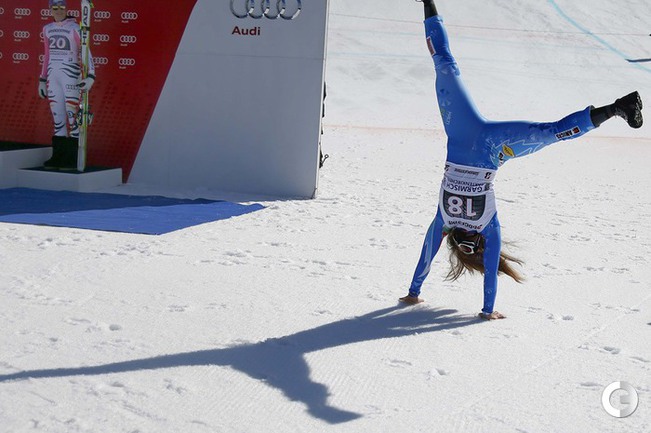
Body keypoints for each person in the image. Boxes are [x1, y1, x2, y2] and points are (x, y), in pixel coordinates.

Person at [401, 0, 644, 320]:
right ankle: (617, 108)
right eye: (473, 248)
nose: (469, 245)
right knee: (549, 131)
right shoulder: (468, 225)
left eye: (466, 248)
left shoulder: (452, 223)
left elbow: (432, 258)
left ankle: (428, 1)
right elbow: (476, 267)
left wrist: (416, 292)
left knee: (446, 65)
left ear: (457, 244)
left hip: (473, 137)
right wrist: (482, 309)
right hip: (490, 145)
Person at [38, 0, 95, 169]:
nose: (58, 11)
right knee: (58, 119)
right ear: (50, 10)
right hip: (53, 77)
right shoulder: (47, 29)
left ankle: (72, 158)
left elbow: (86, 52)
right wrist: (42, 79)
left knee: (73, 118)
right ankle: (58, 157)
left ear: (66, 9)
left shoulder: (75, 28)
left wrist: (91, 76)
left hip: (71, 76)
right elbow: (47, 55)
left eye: (61, 7)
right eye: (55, 8)